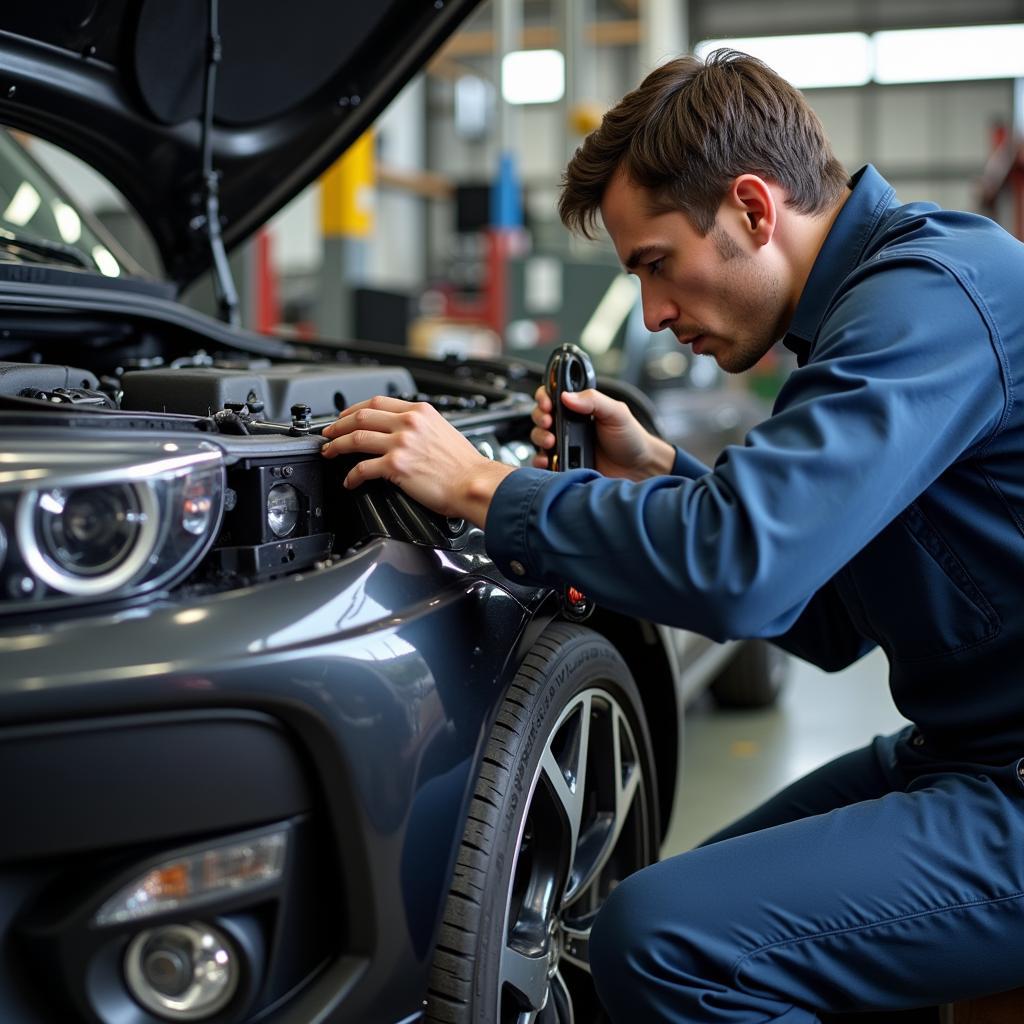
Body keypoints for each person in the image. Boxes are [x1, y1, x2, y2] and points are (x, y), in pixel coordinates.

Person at [320, 49, 1024, 1023]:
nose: (653, 315)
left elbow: (742, 566)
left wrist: (483, 486)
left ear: (751, 209)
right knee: (668, 918)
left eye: (657, 265)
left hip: (1009, 783)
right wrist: (658, 472)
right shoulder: (873, 307)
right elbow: (827, 620)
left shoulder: (930, 296)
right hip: (967, 754)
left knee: (666, 941)